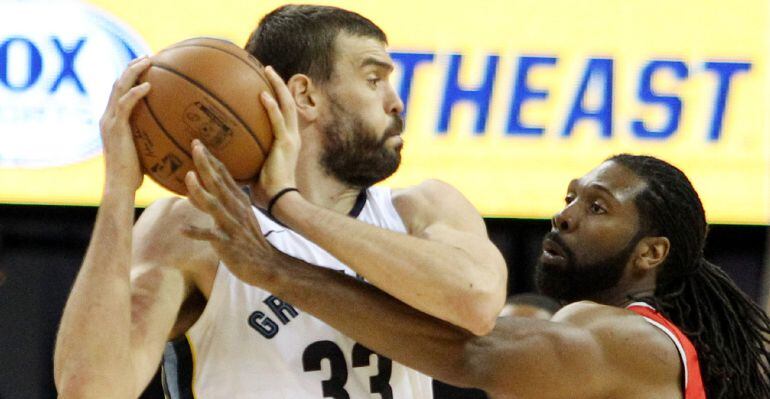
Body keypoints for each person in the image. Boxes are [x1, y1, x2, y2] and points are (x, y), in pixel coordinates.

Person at [53, 5, 507, 398]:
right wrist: (117, 193)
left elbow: (479, 303)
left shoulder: (422, 209)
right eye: (374, 79)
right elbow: (90, 390)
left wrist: (292, 207)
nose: (396, 102)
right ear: (305, 95)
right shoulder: (196, 226)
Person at [184, 150, 770, 398]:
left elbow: (473, 352)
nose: (563, 217)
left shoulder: (635, 339)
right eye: (570, 197)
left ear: (651, 254)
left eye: (597, 208)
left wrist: (278, 266)